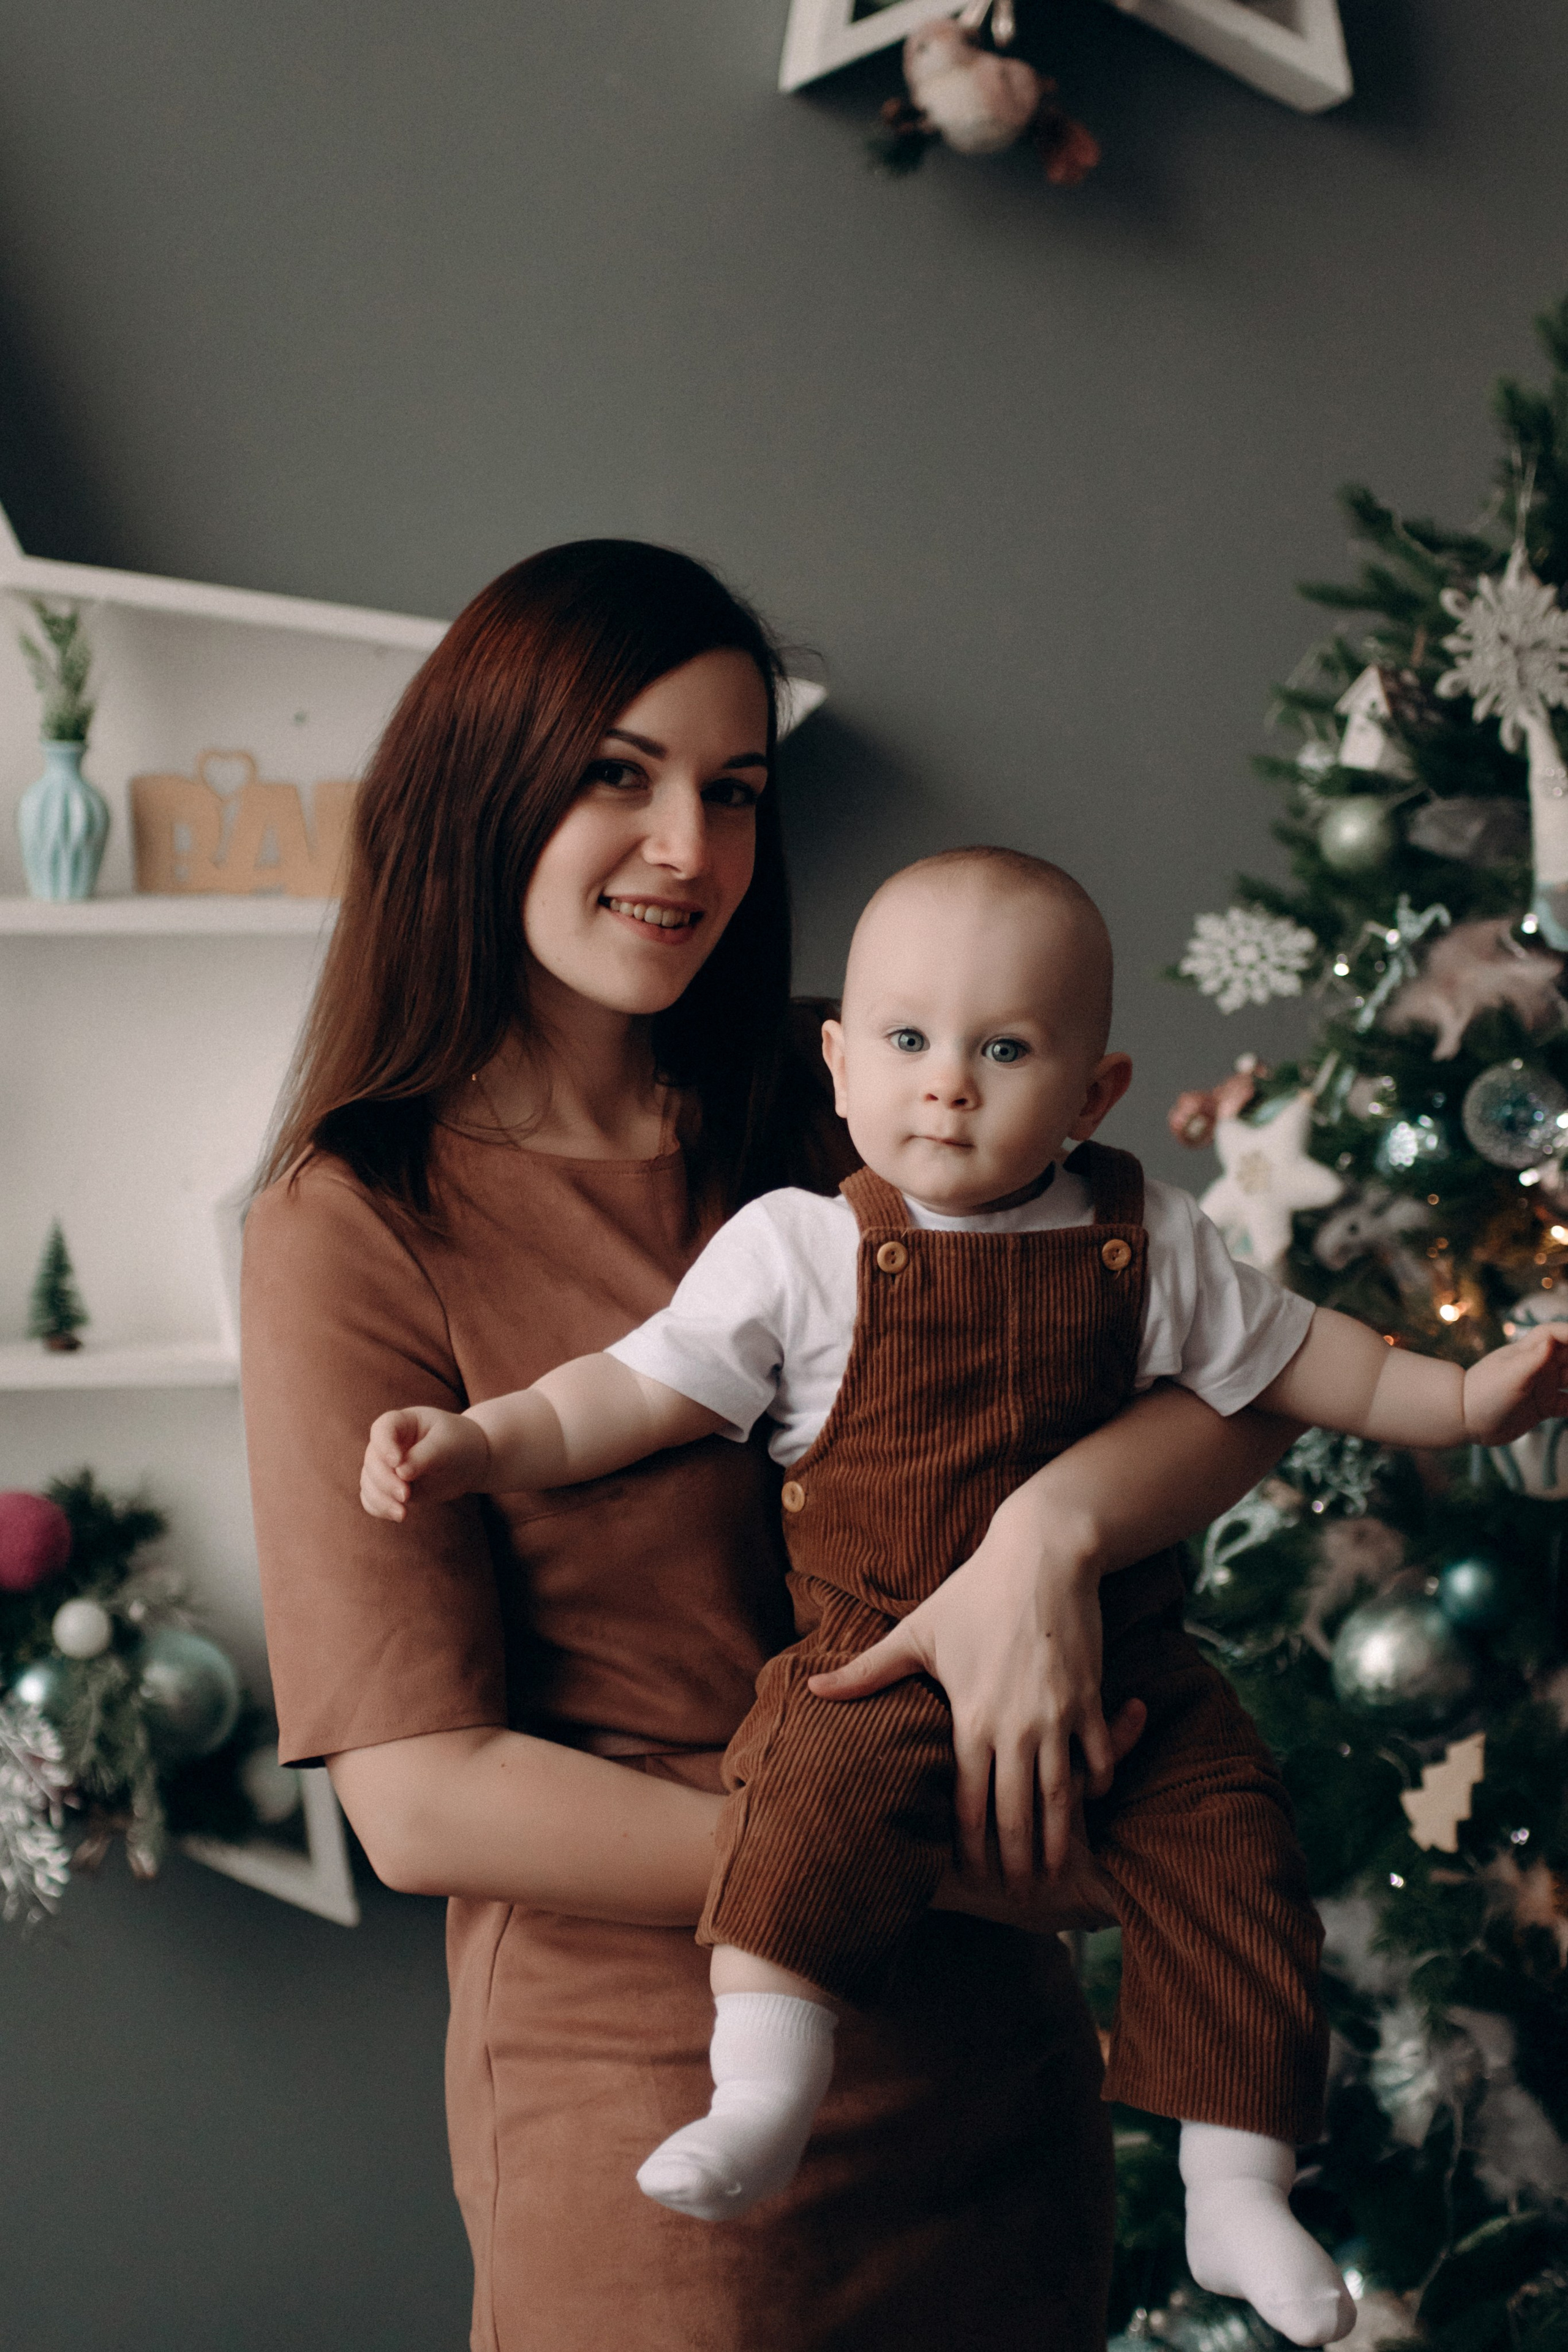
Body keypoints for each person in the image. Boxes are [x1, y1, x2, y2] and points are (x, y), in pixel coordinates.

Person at [245, 540, 1303, 2352]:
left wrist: (1048, 1537)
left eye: (732, 791)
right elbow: (419, 1802)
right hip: (654, 2105)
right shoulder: (356, 1219)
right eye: (619, 775)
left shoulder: (868, 1110)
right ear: (477, 789)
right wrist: (938, 1865)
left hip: (992, 2084)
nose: (688, 849)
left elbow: (1239, 1388)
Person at [361, 845, 1568, 2346]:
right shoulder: (803, 1250)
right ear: (840, 1063)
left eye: (1004, 1050)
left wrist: (1458, 1401)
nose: (946, 1086)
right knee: (800, 1792)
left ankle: (1235, 2182)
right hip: (874, 1656)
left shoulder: (1148, 1238)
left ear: (1093, 1092)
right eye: (909, 1044)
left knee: (1233, 1854)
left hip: (1127, 1667)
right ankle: (761, 2094)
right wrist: (481, 1442)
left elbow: (1304, 1361)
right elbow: (627, 1391)